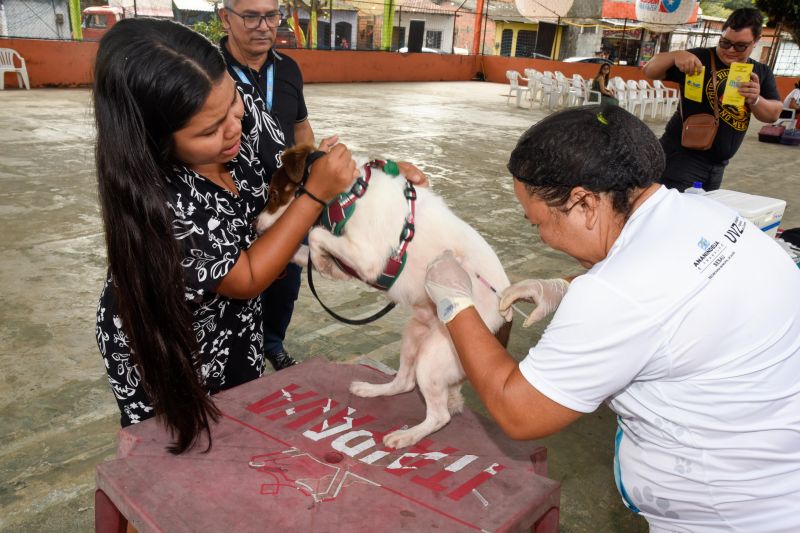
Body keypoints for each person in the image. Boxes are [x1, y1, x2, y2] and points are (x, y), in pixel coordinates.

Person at [423, 105, 800, 531]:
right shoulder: (708, 214)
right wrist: (564, 286)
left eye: (537, 223)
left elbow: (518, 410)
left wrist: (455, 304)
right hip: (779, 476)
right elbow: (662, 284)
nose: (542, 237)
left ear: (584, 203)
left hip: (727, 515)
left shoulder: (615, 296)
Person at [93, 18, 358, 453]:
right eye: (209, 130)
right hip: (171, 343)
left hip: (236, 324)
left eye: (233, 103)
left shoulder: (235, 106)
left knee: (240, 429)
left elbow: (284, 164)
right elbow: (246, 276)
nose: (234, 127)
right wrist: (315, 195)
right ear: (155, 139)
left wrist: (370, 179)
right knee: (179, 450)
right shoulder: (160, 201)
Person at [218, 0, 315, 371]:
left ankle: (272, 342)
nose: (264, 26)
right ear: (225, 18)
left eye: (271, 15)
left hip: (284, 203)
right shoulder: (208, 70)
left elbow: (301, 127)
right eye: (251, 16)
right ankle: (237, 357)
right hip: (231, 204)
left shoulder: (288, 68)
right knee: (237, 286)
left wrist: (311, 171)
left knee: (285, 284)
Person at [642, 7, 782, 192]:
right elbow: (649, 70)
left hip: (718, 166)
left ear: (755, 41)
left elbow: (773, 114)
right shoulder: (699, 58)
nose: (730, 50)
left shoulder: (761, 71)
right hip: (681, 159)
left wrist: (755, 99)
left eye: (740, 46)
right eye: (725, 43)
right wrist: (674, 56)